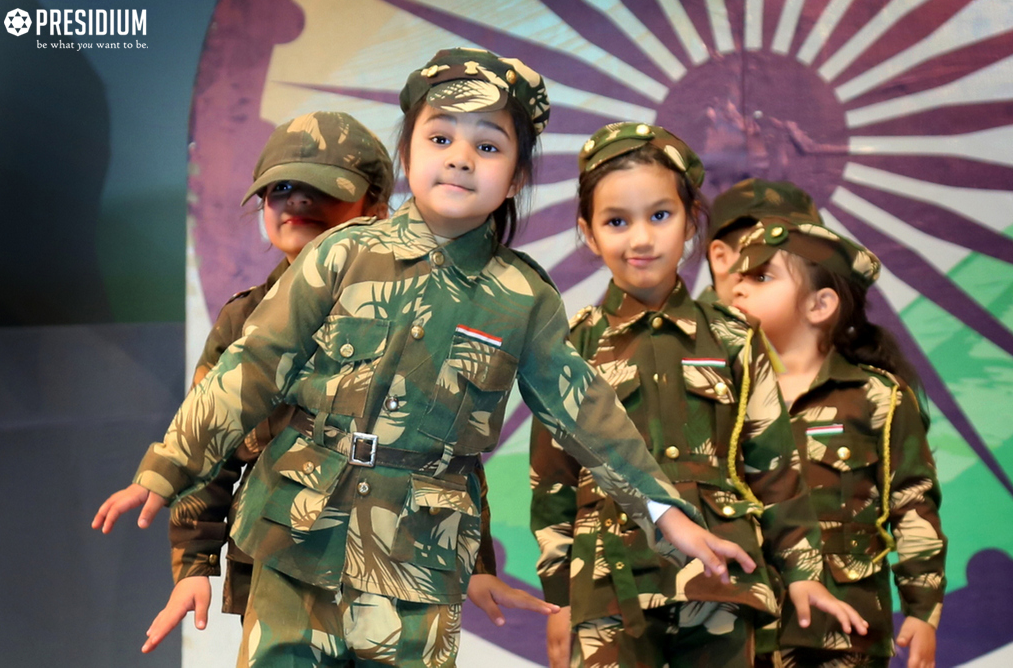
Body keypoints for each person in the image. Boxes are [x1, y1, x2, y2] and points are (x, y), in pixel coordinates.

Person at [93, 48, 756, 668]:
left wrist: (665, 513)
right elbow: (251, 367)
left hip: (416, 565)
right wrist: (166, 468)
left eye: (488, 146)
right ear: (407, 152)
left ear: (516, 178)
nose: (460, 159)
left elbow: (588, 414)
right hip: (295, 541)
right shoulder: (342, 253)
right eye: (440, 138)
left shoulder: (521, 297)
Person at [531, 122, 867, 668]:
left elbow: (775, 468)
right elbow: (553, 481)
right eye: (616, 221)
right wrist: (559, 598)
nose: (641, 239)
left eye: (660, 216)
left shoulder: (735, 338)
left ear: (691, 221)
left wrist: (803, 574)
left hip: (721, 579)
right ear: (588, 234)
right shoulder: (570, 347)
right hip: (609, 583)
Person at [731, 218, 946, 668]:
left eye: (761, 277)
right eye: (739, 276)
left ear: (820, 304)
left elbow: (912, 502)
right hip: (742, 631)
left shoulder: (877, 396)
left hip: (844, 633)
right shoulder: (728, 398)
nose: (738, 287)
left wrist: (923, 610)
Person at [701, 178, 823, 305]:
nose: (793, 270)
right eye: (766, 252)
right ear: (720, 257)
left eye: (807, 258)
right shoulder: (691, 318)